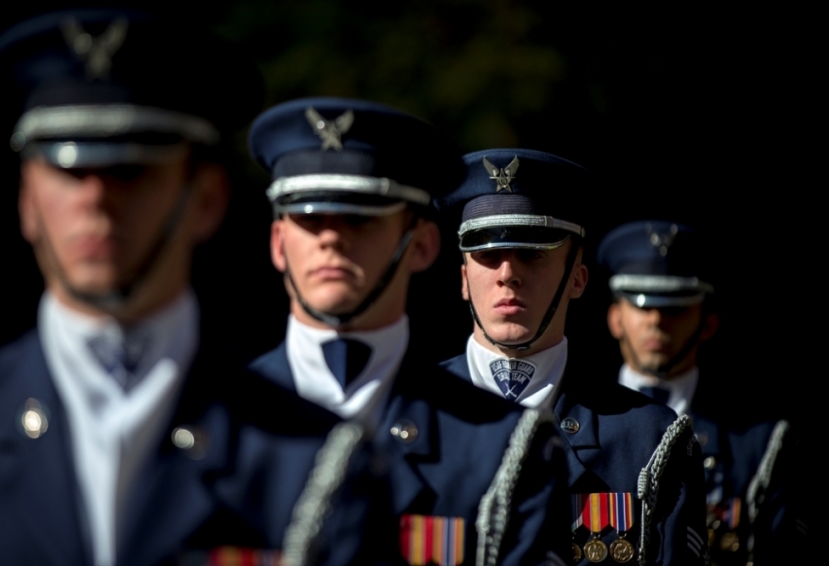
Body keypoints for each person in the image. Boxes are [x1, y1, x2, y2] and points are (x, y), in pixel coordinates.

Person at [0, 11, 387, 566]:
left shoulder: (317, 462)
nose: (95, 198)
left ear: (207, 200)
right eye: (68, 170)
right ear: (27, 200)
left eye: (131, 169)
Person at [247, 97, 570, 566]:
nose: (332, 237)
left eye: (360, 217)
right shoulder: (197, 420)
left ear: (421, 245)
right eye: (309, 217)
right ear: (278, 243)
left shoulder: (507, 449)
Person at [436, 149, 709, 565]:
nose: (507, 272)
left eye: (532, 253)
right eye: (487, 254)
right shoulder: (401, 417)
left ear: (578, 279)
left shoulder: (650, 439)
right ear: (463, 280)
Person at [598, 220, 804, 565]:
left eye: (675, 308)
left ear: (707, 324)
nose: (656, 321)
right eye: (641, 305)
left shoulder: (758, 444)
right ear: (615, 318)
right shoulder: (568, 421)